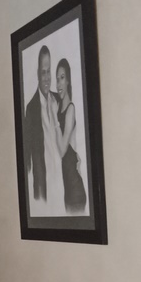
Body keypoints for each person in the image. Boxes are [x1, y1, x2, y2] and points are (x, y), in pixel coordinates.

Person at [23, 45, 58, 205]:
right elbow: (27, 159)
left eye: (48, 71)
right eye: (43, 72)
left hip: (62, 187)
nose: (47, 77)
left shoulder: (59, 100)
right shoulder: (31, 109)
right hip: (43, 192)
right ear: (38, 74)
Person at [52, 58, 87, 214]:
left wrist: (54, 119)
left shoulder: (70, 109)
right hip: (68, 189)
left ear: (68, 81)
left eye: (62, 77)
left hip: (75, 190)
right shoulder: (59, 107)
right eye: (57, 79)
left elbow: (62, 150)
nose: (58, 83)